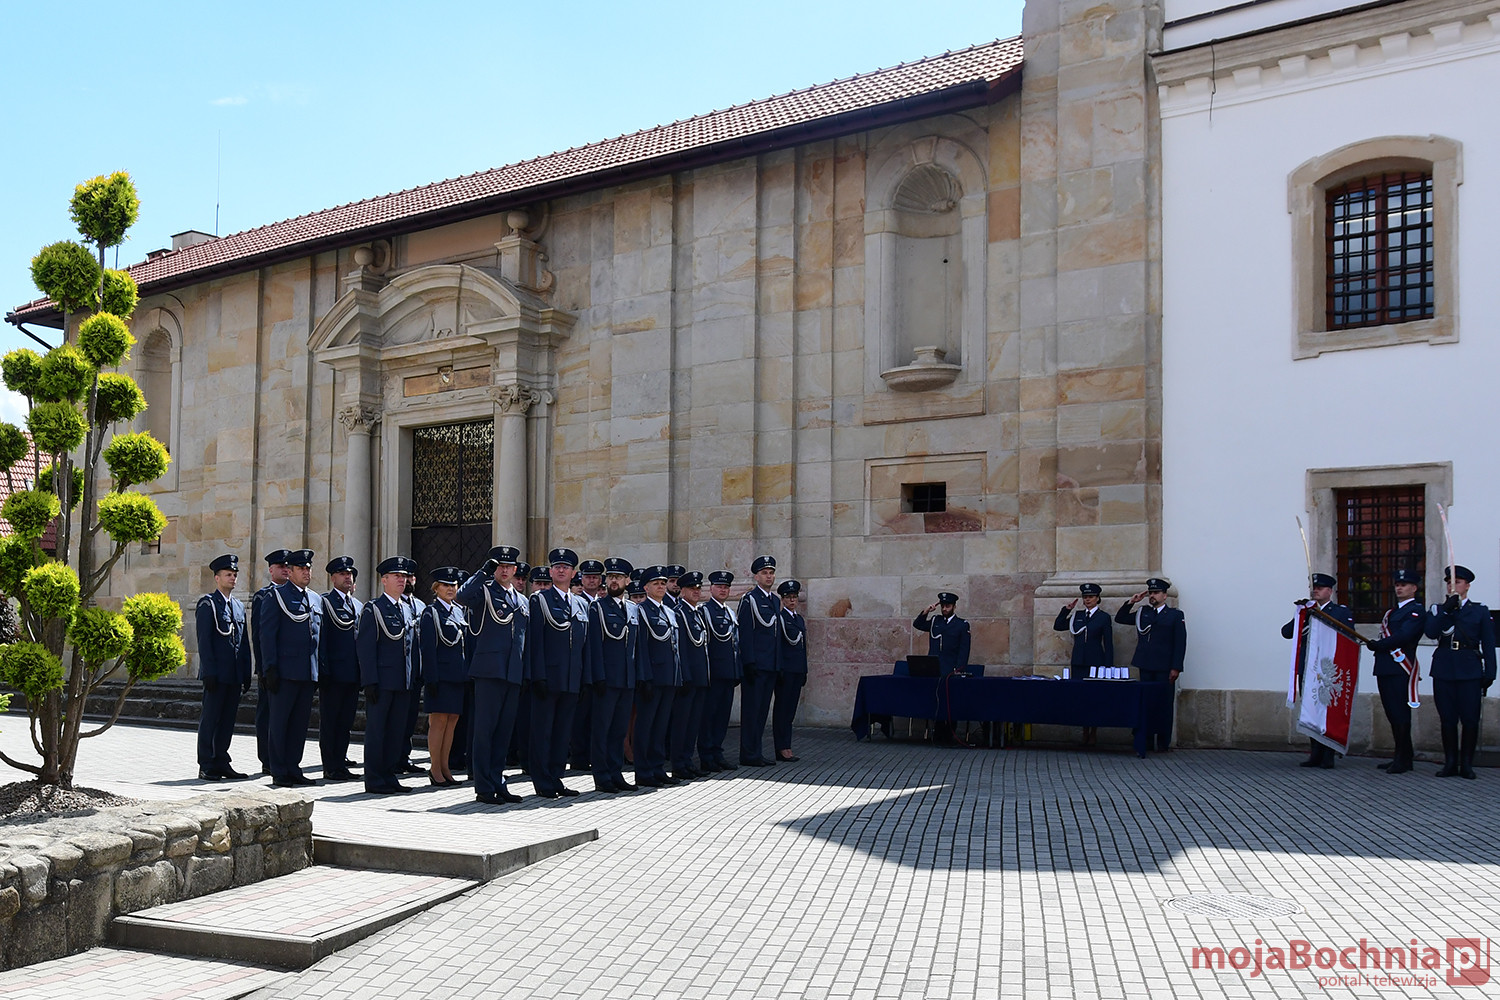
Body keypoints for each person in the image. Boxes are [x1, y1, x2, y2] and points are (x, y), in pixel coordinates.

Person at [456, 545, 526, 805]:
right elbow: (462, 597)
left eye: (508, 566)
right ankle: (484, 786)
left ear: (515, 570)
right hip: (489, 671)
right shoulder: (484, 591)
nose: (504, 570)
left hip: (513, 672)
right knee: (485, 731)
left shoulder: (522, 600)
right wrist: (482, 573)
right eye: (500, 566)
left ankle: (498, 781)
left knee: (504, 733)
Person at [526, 548, 590, 799]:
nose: (561, 570)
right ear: (551, 572)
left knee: (563, 733)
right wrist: (538, 676)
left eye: (566, 567)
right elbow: (535, 642)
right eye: (557, 566)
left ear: (573, 573)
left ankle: (556, 777)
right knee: (543, 732)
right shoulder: (540, 600)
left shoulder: (581, 604)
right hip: (548, 678)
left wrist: (585, 678)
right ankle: (542, 781)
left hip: (572, 678)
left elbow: (585, 645)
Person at [1424, 565, 1497, 779]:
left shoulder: (1479, 611)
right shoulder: (1438, 610)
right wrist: (1446, 610)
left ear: (1467, 586)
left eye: (1456, 582)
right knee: (1447, 719)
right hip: (1444, 669)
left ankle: (1466, 764)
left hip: (1469, 670)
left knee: (1470, 719)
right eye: (1449, 582)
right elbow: (1431, 632)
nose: (1452, 585)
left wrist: (1490, 672)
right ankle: (1450, 763)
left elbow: (1488, 643)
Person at [258, 548, 323, 787]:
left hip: (307, 672)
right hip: (284, 672)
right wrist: (269, 668)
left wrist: (318, 670)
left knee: (299, 724)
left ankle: (294, 766)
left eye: (308, 568)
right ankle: (279, 770)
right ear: (291, 571)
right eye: (301, 568)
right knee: (280, 723)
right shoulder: (276, 596)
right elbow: (267, 635)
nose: (306, 572)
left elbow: (319, 639)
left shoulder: (315, 599)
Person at [1279, 572, 1352, 768]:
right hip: (1308, 669)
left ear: (1330, 591)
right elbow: (1287, 633)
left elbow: (1347, 636)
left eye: (1320, 588)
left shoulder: (1340, 612)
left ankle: (1328, 754)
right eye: (1314, 588)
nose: (1316, 591)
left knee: (1327, 712)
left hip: (1327, 670)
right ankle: (1316, 753)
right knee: (1310, 711)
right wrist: (1300, 614)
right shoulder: (1307, 611)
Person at [358, 557, 418, 795]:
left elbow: (410, 648)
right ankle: (374, 778)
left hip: (402, 681)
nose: (402, 580)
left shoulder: (406, 608)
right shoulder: (374, 609)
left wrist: (413, 677)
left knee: (396, 732)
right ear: (384, 580)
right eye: (396, 576)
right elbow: (366, 648)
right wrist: (369, 681)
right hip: (382, 682)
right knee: (378, 731)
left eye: (403, 576)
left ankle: (389, 775)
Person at [195, 553, 251, 780]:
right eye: (228, 574)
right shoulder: (208, 604)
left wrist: (246, 672)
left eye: (235, 575)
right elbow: (204, 641)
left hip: (234, 674)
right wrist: (208, 671)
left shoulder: (237, 606)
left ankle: (221, 761)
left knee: (227, 720)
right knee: (211, 719)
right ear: (217, 578)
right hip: (216, 674)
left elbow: (243, 642)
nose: (233, 578)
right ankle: (206, 764)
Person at [585, 557, 639, 793]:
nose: (613, 581)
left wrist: (639, 677)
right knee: (602, 730)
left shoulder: (633, 609)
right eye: (610, 577)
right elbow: (594, 645)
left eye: (618, 577)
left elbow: (637, 647)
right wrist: (597, 677)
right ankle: (602, 776)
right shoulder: (598, 608)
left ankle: (616, 773)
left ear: (627, 581)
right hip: (606, 680)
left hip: (627, 679)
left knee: (619, 730)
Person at [1364, 569, 1425, 775]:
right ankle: (1402, 755)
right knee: (1392, 713)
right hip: (1385, 667)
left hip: (1400, 667)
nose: (1399, 588)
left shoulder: (1416, 611)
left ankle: (1403, 759)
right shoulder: (1391, 613)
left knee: (1400, 713)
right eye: (1397, 585)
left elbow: (1405, 635)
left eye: (1404, 585)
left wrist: (1380, 645)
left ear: (1414, 588)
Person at [1117, 577, 1186, 753]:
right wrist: (1132, 602)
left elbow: (1180, 643)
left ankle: (1163, 742)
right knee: (1146, 704)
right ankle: (1145, 740)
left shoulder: (1175, 615)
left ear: (1165, 595)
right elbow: (1121, 618)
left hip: (1164, 667)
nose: (1152, 596)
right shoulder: (1143, 613)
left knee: (1164, 704)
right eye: (1150, 593)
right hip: (1146, 665)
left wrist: (1176, 667)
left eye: (1156, 593)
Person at [419, 566, 469, 787]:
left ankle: (445, 766)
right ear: (436, 588)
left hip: (457, 676)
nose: (450, 589)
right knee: (438, 722)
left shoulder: (458, 612)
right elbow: (428, 648)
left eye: (453, 585)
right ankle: (435, 768)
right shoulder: (430, 613)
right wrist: (431, 679)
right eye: (445, 585)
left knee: (452, 721)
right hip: (440, 677)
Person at [634, 566, 682, 786]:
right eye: (656, 583)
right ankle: (643, 771)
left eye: (663, 583)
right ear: (646, 587)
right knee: (646, 726)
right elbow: (641, 647)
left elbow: (675, 647)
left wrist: (678, 676)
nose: (661, 587)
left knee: (661, 726)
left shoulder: (669, 612)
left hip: (669, 677)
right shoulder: (641, 611)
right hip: (652, 678)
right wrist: (644, 677)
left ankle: (657, 767)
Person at [317, 556, 362, 781]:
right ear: (333, 578)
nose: (347, 577)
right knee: (330, 722)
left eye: (350, 574)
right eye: (343, 574)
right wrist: (323, 669)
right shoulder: (325, 603)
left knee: (345, 723)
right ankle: (330, 766)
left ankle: (341, 763)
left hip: (353, 674)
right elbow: (321, 638)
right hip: (333, 674)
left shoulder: (357, 605)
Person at [249, 550, 292, 775]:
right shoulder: (263, 596)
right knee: (267, 713)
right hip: (270, 667)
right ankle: (266, 758)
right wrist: (264, 667)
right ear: (271, 570)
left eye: (287, 566)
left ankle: (284, 757)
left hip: (290, 669)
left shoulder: (294, 595)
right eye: (280, 566)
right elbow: (259, 635)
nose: (285, 570)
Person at [1054, 583, 1112, 745]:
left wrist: (1108, 666)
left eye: (1091, 597)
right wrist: (1066, 610)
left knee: (1095, 697)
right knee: (1080, 697)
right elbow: (1058, 626)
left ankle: (1093, 731)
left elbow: (1108, 643)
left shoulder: (1103, 617)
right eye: (1085, 597)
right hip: (1079, 661)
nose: (1088, 600)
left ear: (1098, 598)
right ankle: (1084, 730)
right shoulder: (1077, 616)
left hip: (1095, 661)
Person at [737, 555, 780, 767]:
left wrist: (778, 664)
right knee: (751, 712)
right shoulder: (750, 600)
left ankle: (756, 751)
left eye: (771, 573)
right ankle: (748, 753)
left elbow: (775, 636)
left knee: (762, 712)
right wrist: (748, 662)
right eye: (764, 573)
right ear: (756, 576)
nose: (768, 576)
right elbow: (745, 633)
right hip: (755, 666)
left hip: (770, 665)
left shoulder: (775, 601)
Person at [698, 570, 741, 772]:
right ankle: (706, 755)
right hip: (713, 674)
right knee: (709, 716)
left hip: (728, 673)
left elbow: (735, 644)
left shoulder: (729, 612)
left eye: (726, 587)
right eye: (719, 586)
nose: (723, 590)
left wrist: (736, 670)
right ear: (711, 588)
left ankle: (717, 752)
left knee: (723, 717)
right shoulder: (705, 611)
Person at [669, 571, 710, 780]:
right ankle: (678, 763)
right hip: (688, 678)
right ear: (682, 591)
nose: (696, 592)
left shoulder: (697, 613)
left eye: (698, 589)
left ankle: (687, 760)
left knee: (693, 723)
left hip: (700, 677)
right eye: (691, 589)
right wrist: (684, 675)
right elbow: (681, 648)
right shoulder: (679, 613)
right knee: (681, 723)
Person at [395, 566, 428, 776]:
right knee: (396, 720)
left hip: (416, 672)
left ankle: (404, 757)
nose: (408, 580)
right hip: (398, 672)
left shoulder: (421, 606)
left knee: (410, 718)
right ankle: (393, 759)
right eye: (403, 576)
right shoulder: (393, 605)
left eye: (410, 576)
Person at [772, 580, 808, 762]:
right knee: (782, 710)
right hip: (785, 671)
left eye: (794, 597)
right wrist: (779, 669)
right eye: (788, 597)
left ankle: (787, 745)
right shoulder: (780, 619)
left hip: (797, 670)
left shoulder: (798, 619)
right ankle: (781, 747)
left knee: (790, 711)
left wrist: (804, 670)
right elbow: (778, 646)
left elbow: (803, 647)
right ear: (783, 600)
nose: (792, 600)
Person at [913, 592, 972, 675]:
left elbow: (964, 650)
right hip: (933, 667)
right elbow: (918, 625)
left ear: (954, 607)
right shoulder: (936, 620)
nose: (944, 609)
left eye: (948, 606)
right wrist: (926, 611)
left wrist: (959, 669)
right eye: (942, 606)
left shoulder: (961, 624)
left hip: (950, 668)